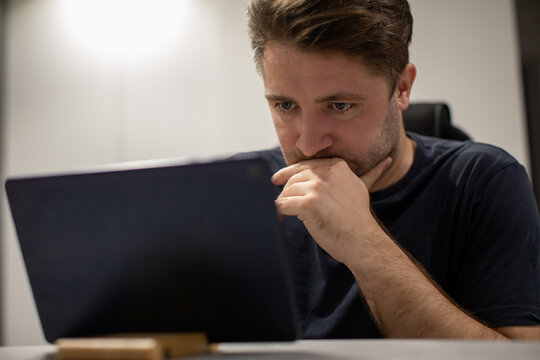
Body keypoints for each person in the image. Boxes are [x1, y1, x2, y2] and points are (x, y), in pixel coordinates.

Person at [245, 0, 540, 340]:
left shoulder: (482, 181)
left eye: (340, 106)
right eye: (285, 105)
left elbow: (517, 355)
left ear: (402, 88)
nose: (309, 145)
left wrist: (363, 240)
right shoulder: (244, 188)